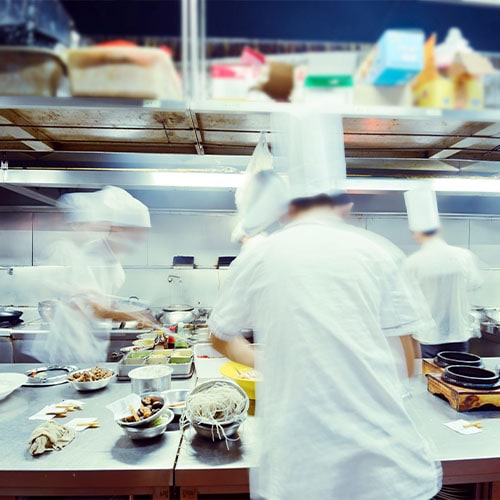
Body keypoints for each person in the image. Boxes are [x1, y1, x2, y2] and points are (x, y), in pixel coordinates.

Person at [209, 111, 442, 500]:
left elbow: (219, 338)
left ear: (287, 207)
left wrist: (277, 364)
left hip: (301, 473)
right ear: (344, 205)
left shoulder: (261, 254)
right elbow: (408, 356)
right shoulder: (377, 251)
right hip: (388, 470)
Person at [33, 186, 156, 364]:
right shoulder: (91, 257)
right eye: (135, 238)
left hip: (92, 344)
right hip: (70, 347)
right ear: (117, 230)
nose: (136, 245)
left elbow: (104, 299)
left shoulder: (112, 260)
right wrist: (135, 315)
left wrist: (131, 310)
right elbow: (95, 308)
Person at [404, 186, 483, 359]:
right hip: (459, 334)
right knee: (457, 378)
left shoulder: (412, 263)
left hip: (428, 337)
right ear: (439, 229)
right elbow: (475, 284)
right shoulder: (464, 256)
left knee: (429, 381)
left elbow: (406, 303)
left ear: (415, 234)